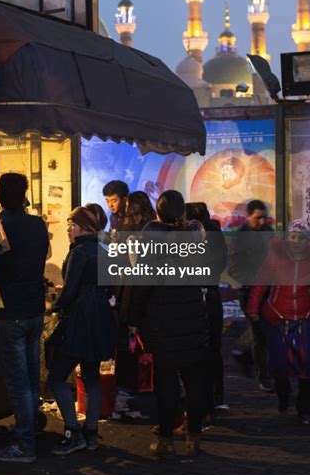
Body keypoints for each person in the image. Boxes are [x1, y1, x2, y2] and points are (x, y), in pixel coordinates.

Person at [128, 190, 209, 458]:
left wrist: (133, 319)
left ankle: (165, 440)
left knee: (166, 382)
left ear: (159, 212)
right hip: (193, 317)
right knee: (195, 380)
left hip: (162, 321)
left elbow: (141, 284)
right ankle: (194, 437)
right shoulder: (196, 236)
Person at [48, 204, 117, 454]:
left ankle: (72, 432)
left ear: (85, 227)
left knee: (56, 376)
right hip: (101, 318)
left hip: (80, 318)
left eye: (72, 225)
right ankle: (90, 434)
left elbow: (69, 292)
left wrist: (52, 308)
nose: (69, 229)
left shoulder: (80, 253)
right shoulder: (105, 250)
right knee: (91, 376)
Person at [0, 173, 49, 464]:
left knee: (19, 382)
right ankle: (29, 430)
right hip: (34, 310)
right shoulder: (37, 224)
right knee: (30, 378)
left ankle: (25, 446)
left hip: (10, 312)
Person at [247, 220, 310, 424]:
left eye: (301, 238)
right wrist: (253, 308)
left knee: (307, 361)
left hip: (305, 317)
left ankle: (304, 406)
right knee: (278, 362)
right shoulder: (275, 258)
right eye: (292, 237)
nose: (296, 241)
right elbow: (260, 284)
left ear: (308, 241)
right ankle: (283, 394)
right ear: (287, 238)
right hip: (277, 316)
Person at [111, 191, 155, 421]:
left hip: (129, 299)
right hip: (149, 302)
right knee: (145, 354)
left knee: (128, 353)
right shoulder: (155, 233)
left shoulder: (127, 235)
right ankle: (142, 402)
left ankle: (125, 403)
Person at [185, 202, 228, 413]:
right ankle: (215, 397)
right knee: (213, 349)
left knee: (198, 351)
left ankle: (202, 402)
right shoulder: (215, 236)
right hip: (211, 296)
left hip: (197, 298)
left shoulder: (196, 236)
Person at [228, 199, 274, 392]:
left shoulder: (268, 233)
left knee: (262, 331)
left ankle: (243, 353)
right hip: (249, 291)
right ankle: (263, 376)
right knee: (259, 332)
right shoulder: (240, 238)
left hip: (268, 289)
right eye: (258, 218)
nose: (262, 222)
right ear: (248, 216)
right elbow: (233, 267)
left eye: (264, 217)